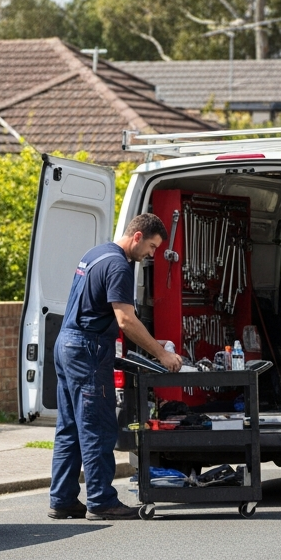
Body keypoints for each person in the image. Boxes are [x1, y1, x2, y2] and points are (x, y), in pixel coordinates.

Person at [49, 213, 182, 521]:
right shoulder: (119, 265)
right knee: (97, 426)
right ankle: (101, 501)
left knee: (70, 428)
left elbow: (100, 309)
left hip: (67, 343)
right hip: (88, 350)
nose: (151, 254)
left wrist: (151, 342)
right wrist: (161, 354)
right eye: (151, 246)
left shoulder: (96, 253)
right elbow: (125, 320)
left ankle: (62, 499)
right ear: (137, 237)